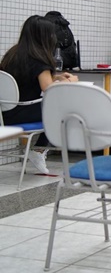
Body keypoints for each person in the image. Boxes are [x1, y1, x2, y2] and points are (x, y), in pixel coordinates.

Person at [1, 15, 79, 174]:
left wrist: (57, 77)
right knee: (63, 110)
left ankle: (37, 152)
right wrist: (71, 81)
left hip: (5, 114)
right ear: (44, 37)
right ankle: (38, 151)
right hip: (23, 115)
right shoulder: (39, 59)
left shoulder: (12, 54)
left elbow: (27, 78)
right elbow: (48, 88)